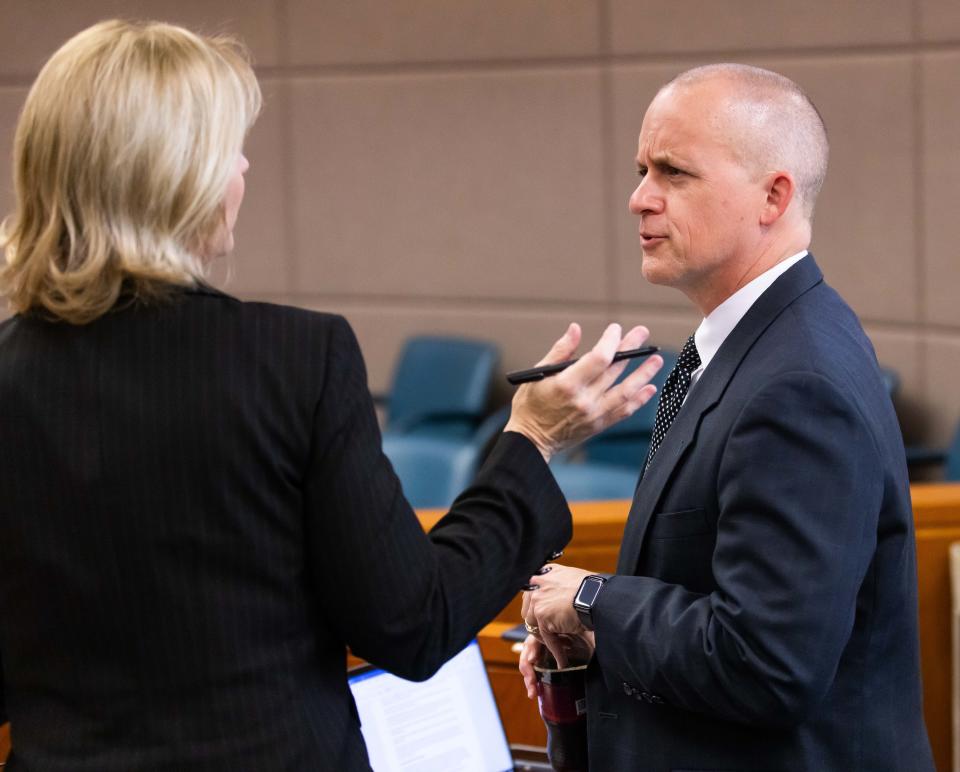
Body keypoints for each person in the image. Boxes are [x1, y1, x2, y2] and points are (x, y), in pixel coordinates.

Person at [0, 20, 664, 772]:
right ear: (175, 176)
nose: (243, 166)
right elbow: (413, 623)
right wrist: (533, 441)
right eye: (226, 147)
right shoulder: (293, 362)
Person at [519, 64, 935, 771]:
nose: (639, 198)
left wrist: (592, 601)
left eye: (674, 173)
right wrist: (597, 641)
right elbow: (707, 597)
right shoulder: (740, 348)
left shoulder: (797, 383)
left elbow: (768, 661)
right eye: (642, 169)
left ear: (773, 196)